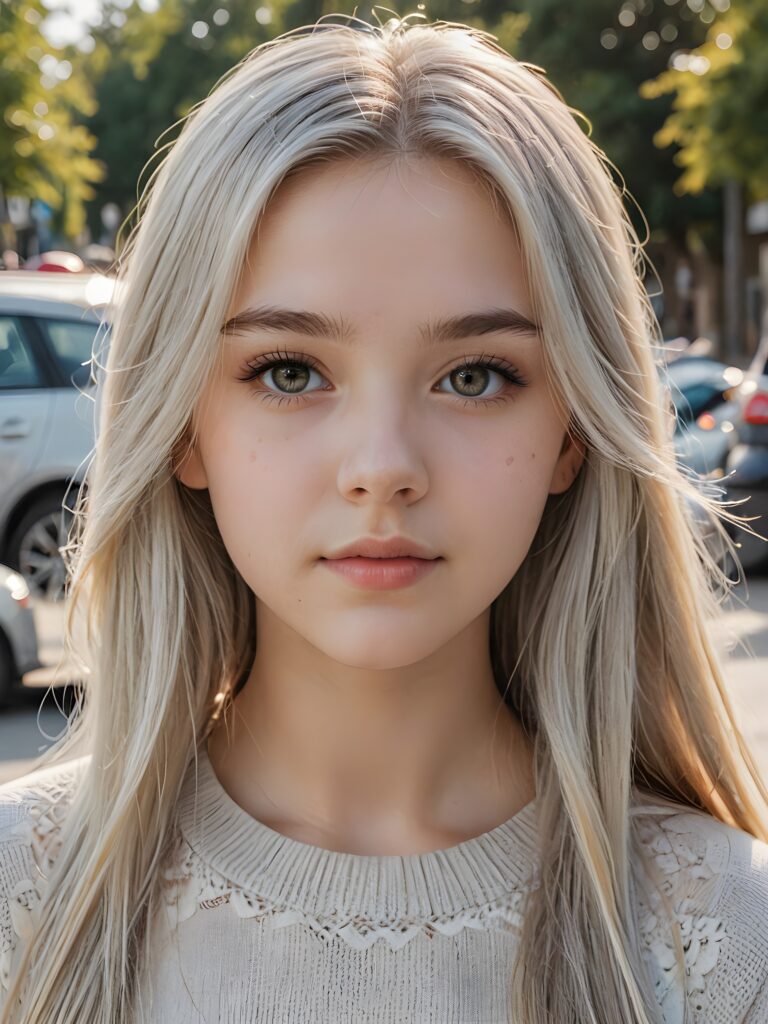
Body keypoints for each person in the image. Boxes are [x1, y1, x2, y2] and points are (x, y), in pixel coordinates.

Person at [1, 15, 767, 1024]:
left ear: (574, 431)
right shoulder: (23, 901)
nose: (383, 469)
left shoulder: (724, 936)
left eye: (474, 376)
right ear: (182, 421)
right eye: (289, 372)